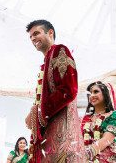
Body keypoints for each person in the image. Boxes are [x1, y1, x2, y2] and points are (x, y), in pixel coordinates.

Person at [24, 20, 85, 162]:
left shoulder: (60, 50)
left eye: (36, 33)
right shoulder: (46, 62)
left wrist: (37, 114)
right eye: (31, 37)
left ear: (50, 33)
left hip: (63, 137)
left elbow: (68, 90)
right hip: (50, 136)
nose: (33, 38)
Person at [81, 81, 116, 162]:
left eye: (96, 92)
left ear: (106, 93)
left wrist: (83, 155)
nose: (91, 96)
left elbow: (106, 140)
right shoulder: (86, 119)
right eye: (90, 93)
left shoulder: (114, 115)